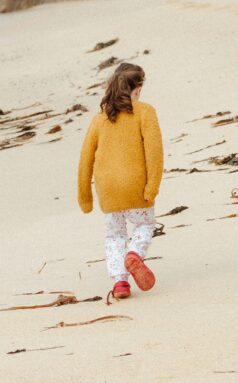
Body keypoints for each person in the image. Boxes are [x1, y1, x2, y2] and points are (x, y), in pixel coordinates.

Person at [77, 62, 164, 299]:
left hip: (108, 190)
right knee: (145, 225)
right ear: (137, 88)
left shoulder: (100, 118)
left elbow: (85, 158)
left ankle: (120, 283)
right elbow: (154, 152)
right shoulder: (145, 112)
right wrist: (152, 186)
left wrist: (85, 197)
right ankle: (134, 254)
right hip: (135, 186)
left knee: (115, 235)